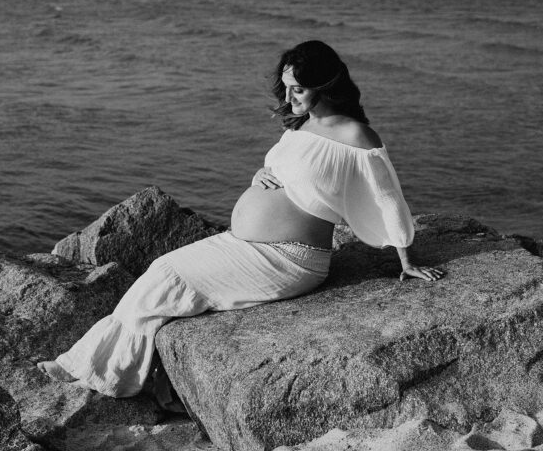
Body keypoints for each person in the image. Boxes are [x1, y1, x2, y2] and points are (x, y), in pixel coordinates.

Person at [38, 40, 445, 398]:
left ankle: (98, 371)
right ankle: (91, 363)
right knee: (159, 275)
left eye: (298, 89)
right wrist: (262, 176)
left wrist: (406, 258)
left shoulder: (356, 136)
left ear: (326, 87)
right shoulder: (301, 125)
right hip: (245, 244)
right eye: (285, 87)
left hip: (290, 258)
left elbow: (387, 195)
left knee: (166, 274)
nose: (289, 97)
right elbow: (289, 170)